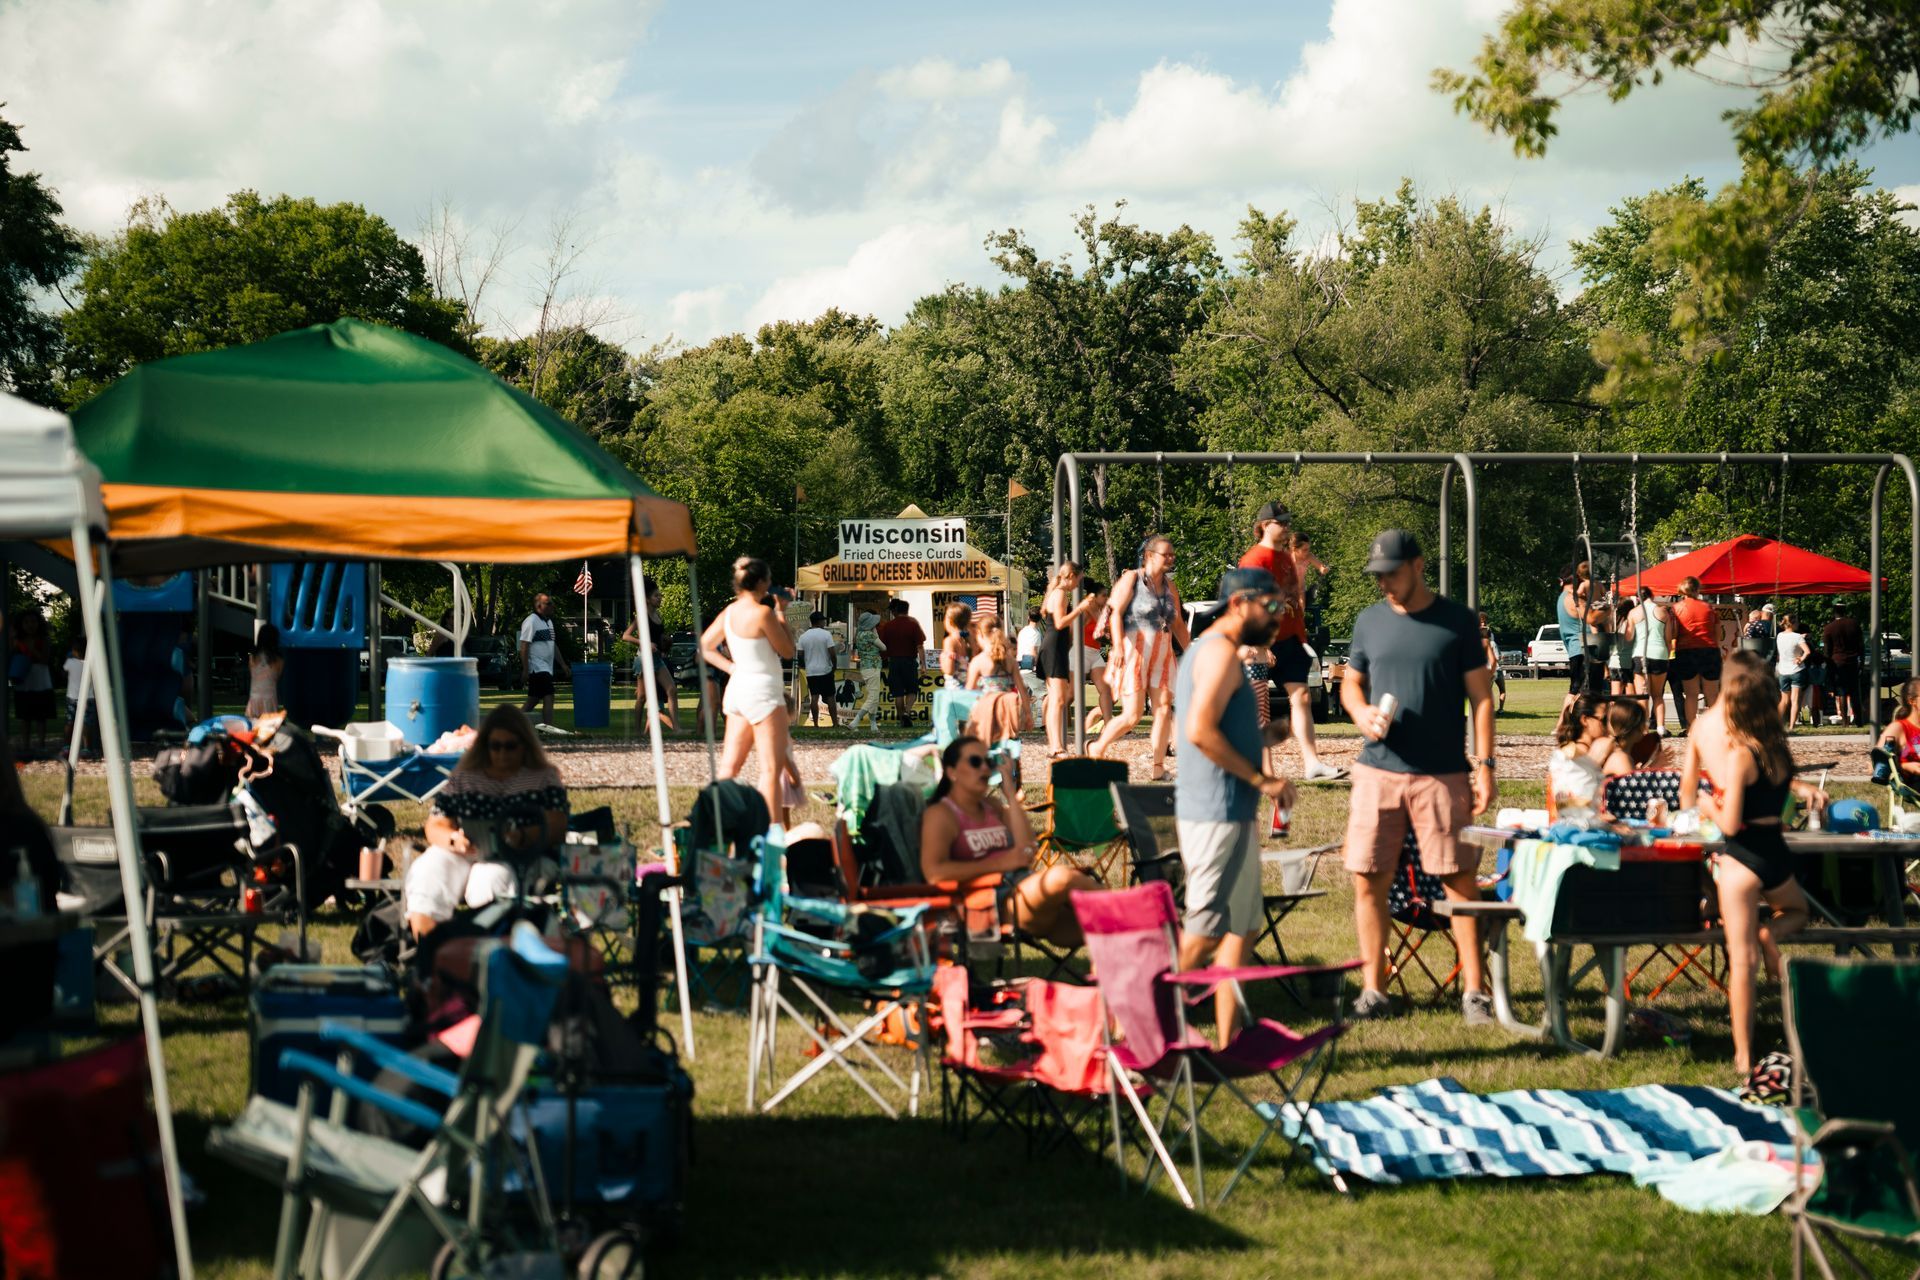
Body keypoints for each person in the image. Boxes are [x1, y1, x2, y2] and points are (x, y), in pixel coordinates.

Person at [1339, 529, 1498, 1025]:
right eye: (1378, 575)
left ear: (1418, 564)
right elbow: (1350, 683)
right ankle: (1374, 991)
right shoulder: (1368, 621)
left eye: (1391, 572)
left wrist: (1486, 765)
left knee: (1458, 880)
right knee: (1369, 879)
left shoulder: (1457, 622)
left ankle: (1474, 993)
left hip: (1442, 774)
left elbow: (1482, 699)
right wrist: (1360, 712)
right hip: (1377, 772)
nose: (1384, 582)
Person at [1174, 567, 1297, 1046]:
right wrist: (1261, 778)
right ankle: (1140, 1023)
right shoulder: (1220, 654)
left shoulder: (1211, 652)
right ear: (1241, 602)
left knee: (1241, 930)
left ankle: (1229, 1043)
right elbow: (1199, 731)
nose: (1276, 621)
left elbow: (1220, 729)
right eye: (1271, 608)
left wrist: (1265, 738)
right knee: (1205, 930)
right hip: (1215, 812)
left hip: (1233, 811)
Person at [1682, 650, 1819, 1080]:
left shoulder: (1740, 755)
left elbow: (1729, 822)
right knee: (1797, 911)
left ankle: (1743, 1056)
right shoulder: (1778, 750)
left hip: (1741, 859)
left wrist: (1705, 799)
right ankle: (1770, 932)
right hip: (1775, 851)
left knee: (1742, 962)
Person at [403, 705, 569, 937]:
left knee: (490, 878)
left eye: (510, 746)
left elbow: (557, 825)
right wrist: (452, 839)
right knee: (428, 869)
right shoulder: (465, 777)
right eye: (495, 746)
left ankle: (484, 956)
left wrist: (522, 836)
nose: (502, 754)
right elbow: (437, 822)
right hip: (467, 849)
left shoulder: (543, 777)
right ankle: (431, 952)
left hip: (520, 855)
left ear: (525, 745)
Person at [919, 735, 1097, 947]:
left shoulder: (992, 807)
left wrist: (1010, 795)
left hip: (1022, 889)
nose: (984, 769)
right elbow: (934, 873)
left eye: (988, 761)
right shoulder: (941, 814)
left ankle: (1127, 941)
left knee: (1102, 925)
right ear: (952, 772)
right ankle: (1131, 910)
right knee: (1062, 879)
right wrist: (999, 864)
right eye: (975, 762)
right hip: (989, 904)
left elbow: (1027, 852)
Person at [1239, 503, 1344, 781]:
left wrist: (1301, 632)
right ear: (1264, 525)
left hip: (1291, 639)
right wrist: (1260, 644)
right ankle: (1263, 769)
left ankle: (1312, 763)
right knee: (1260, 706)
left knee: (1303, 696)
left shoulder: (1287, 559)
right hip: (1263, 641)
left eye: (1287, 522)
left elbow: (1294, 598)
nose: (1286, 527)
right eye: (1280, 522)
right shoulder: (1253, 560)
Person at [701, 557, 801, 823]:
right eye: (768, 580)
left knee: (729, 767)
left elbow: (705, 647)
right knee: (770, 769)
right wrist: (781, 612)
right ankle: (774, 835)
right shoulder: (763, 613)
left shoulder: (729, 613)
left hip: (737, 690)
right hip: (764, 691)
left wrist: (732, 668)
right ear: (761, 582)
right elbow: (788, 651)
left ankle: (715, 824)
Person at [1090, 536, 1190, 779]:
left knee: (1164, 710)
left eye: (1172, 554)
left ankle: (1158, 768)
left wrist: (1193, 651)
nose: (1171, 558)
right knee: (1132, 715)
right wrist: (1119, 648)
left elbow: (1176, 622)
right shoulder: (1131, 579)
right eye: (1166, 554)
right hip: (1134, 651)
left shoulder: (1170, 586)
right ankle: (1097, 747)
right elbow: (1114, 614)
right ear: (1149, 556)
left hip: (1162, 653)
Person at [1039, 562, 1099, 758]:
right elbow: (1059, 622)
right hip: (1054, 648)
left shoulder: (1056, 593)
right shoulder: (1060, 594)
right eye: (1078, 580)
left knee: (1058, 699)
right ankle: (1056, 746)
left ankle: (1055, 745)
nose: (1077, 585)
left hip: (1056, 647)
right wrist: (1080, 608)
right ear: (1071, 576)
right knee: (1057, 700)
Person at [620, 577, 676, 731]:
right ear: (647, 599)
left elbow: (658, 637)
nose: (660, 598)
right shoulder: (642, 616)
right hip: (643, 659)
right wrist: (644, 643)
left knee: (671, 689)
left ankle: (677, 728)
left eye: (660, 596)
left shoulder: (658, 616)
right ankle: (638, 732)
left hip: (657, 659)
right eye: (656, 596)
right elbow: (626, 636)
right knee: (642, 697)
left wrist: (665, 641)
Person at [1669, 575, 1723, 733]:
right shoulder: (1709, 608)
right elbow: (1718, 633)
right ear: (1698, 589)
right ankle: (1716, 728)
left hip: (1686, 651)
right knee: (1712, 693)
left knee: (1691, 694)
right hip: (1709, 650)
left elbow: (1673, 632)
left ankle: (1691, 728)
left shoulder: (1676, 608)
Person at [1624, 587, 1675, 736]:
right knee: (1658, 695)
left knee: (1642, 694)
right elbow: (1668, 638)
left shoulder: (1633, 613)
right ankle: (1660, 727)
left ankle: (1644, 727)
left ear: (1637, 598)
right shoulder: (1663, 611)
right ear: (1652, 596)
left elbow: (1628, 637)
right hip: (1660, 654)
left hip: (1640, 654)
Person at [518, 593, 571, 726]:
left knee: (533, 700)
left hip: (546, 667)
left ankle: (512, 725)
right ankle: (547, 729)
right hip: (537, 667)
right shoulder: (531, 621)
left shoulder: (548, 622)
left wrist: (563, 665)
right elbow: (524, 646)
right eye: (549, 603)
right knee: (549, 695)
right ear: (539, 606)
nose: (552, 606)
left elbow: (553, 645)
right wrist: (525, 669)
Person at [877, 599, 927, 726]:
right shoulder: (913, 624)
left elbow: (882, 646)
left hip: (894, 662)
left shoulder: (888, 626)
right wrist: (923, 665)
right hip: (909, 662)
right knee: (912, 690)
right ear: (907, 610)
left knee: (898, 693)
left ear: (896, 610)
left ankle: (901, 720)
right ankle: (907, 712)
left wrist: (883, 658)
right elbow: (920, 646)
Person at [794, 611, 841, 728]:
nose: (824, 622)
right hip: (825, 670)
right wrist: (834, 666)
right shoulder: (826, 635)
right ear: (819, 622)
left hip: (811, 671)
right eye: (823, 620)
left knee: (814, 697)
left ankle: (815, 724)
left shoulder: (803, 636)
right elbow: (832, 653)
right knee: (830, 697)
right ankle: (835, 723)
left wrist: (803, 665)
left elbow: (799, 654)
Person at [1871, 678, 1920, 787]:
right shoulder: (1898, 728)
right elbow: (1880, 760)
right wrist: (1905, 766)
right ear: (1912, 701)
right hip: (1913, 780)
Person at [1079, 579, 1114, 730]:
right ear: (1094, 596)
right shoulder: (1086, 612)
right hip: (1082, 652)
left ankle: (1108, 724)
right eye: (1104, 595)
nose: (1106, 598)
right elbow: (1073, 632)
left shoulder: (1100, 612)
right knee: (1069, 694)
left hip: (1094, 653)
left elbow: (1101, 633)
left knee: (1105, 690)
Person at [1821, 605, 1865, 726]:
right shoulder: (1854, 624)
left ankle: (1845, 722)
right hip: (1852, 662)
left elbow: (1827, 650)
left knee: (1842, 693)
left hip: (1837, 663)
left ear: (1834, 613)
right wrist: (1861, 662)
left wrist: (1828, 665)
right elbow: (1861, 645)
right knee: (1855, 692)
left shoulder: (1829, 628)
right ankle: (1859, 721)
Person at [1555, 564, 1587, 717]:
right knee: (1577, 689)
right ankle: (1563, 721)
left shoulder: (1561, 598)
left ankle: (1565, 722)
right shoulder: (1574, 599)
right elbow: (1590, 620)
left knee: (1575, 688)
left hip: (1574, 649)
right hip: (1582, 648)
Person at [847, 610, 886, 732]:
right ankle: (855, 721)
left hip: (865, 667)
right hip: (873, 667)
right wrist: (875, 633)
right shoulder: (870, 635)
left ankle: (873, 724)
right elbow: (884, 647)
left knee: (873, 696)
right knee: (873, 697)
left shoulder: (859, 634)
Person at [61, 634, 99, 757]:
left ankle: (68, 746)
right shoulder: (92, 663)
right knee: (85, 723)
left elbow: (64, 674)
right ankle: (85, 748)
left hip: (74, 697)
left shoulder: (71, 661)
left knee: (71, 721)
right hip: (87, 698)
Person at [1775, 613, 1809, 730]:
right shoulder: (1798, 637)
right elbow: (1807, 651)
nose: (1798, 624)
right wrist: (1801, 659)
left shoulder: (1779, 636)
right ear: (1793, 623)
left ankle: (1776, 724)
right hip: (1796, 670)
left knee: (1784, 700)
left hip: (1783, 671)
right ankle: (1791, 726)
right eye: (1797, 622)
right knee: (1795, 700)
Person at [245, 624, 284, 720]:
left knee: (253, 727)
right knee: (269, 727)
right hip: (270, 698)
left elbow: (252, 674)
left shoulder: (252, 658)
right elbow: (277, 677)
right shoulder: (278, 660)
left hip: (254, 698)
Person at [938, 602, 974, 692]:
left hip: (954, 688)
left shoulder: (950, 641)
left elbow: (949, 670)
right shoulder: (968, 640)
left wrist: (942, 658)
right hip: (969, 687)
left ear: (949, 621)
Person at [1478, 613, 1507, 714]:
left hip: (1486, 670)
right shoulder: (1492, 643)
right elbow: (1496, 658)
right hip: (1496, 670)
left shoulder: (1477, 642)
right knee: (1502, 690)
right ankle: (1501, 709)